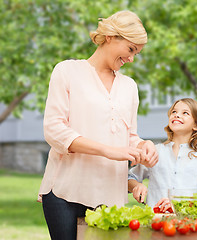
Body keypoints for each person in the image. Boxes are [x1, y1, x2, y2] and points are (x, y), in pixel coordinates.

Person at [38, 10, 158, 240]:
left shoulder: (130, 86)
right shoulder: (67, 71)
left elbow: (129, 135)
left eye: (137, 53)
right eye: (131, 49)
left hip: (109, 196)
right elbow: (54, 129)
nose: (132, 59)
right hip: (66, 190)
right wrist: (109, 151)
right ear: (111, 37)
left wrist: (144, 144)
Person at [128, 98, 197, 212]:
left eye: (185, 113)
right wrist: (136, 186)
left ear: (196, 125)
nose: (176, 115)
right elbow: (129, 178)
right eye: (174, 112)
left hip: (188, 222)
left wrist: (182, 204)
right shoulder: (155, 152)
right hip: (155, 221)